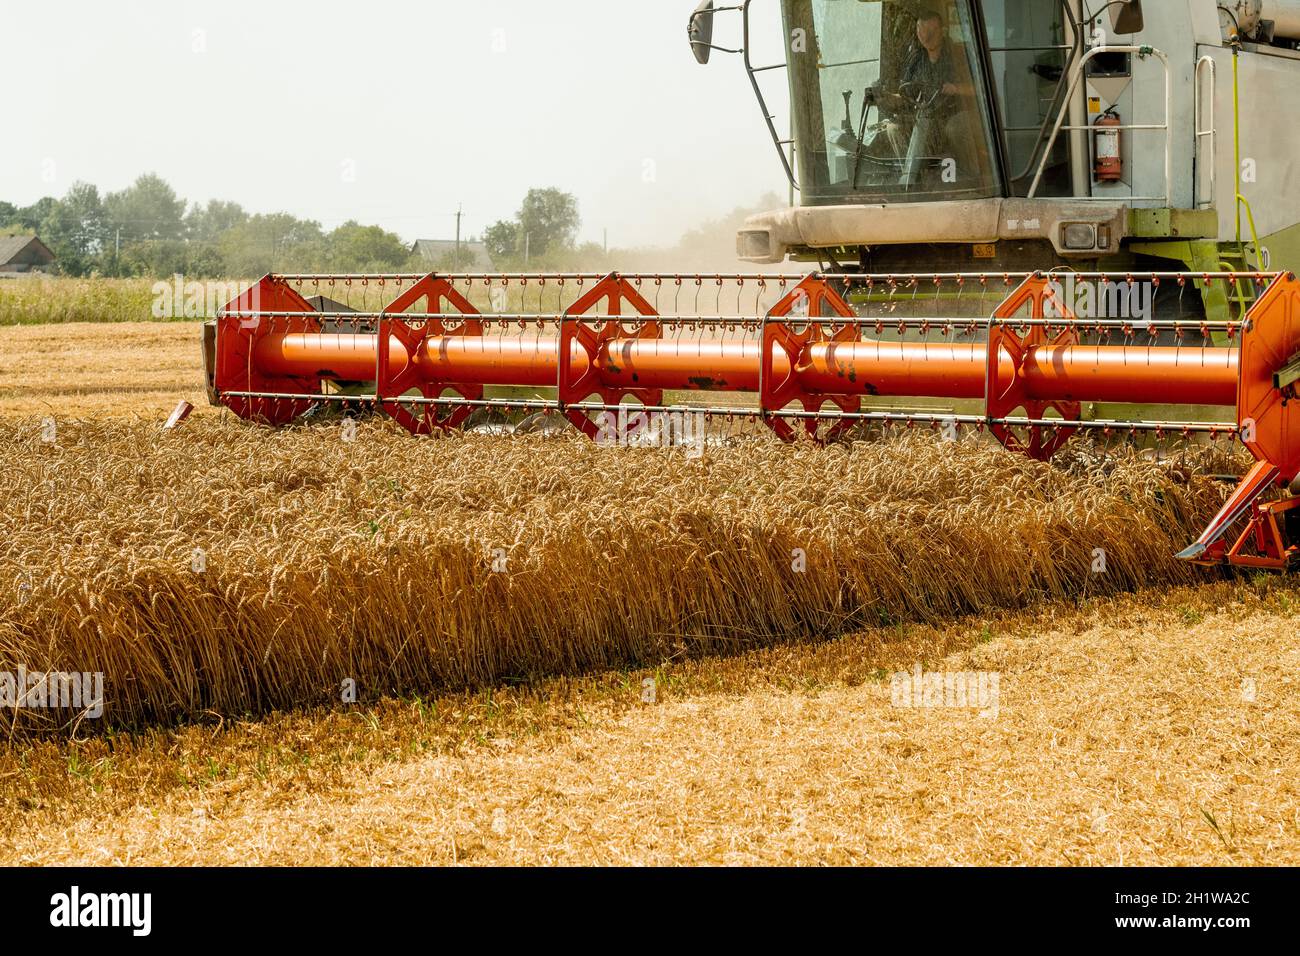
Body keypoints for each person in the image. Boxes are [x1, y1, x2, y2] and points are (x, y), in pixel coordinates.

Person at [873, 8, 979, 184]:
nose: (925, 37)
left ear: (942, 31)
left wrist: (956, 88)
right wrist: (886, 97)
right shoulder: (916, 59)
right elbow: (906, 95)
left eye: (930, 32)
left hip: (954, 114)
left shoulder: (958, 54)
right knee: (894, 128)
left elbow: (979, 88)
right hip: (925, 117)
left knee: (955, 127)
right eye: (921, 32)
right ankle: (912, 178)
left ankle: (970, 176)